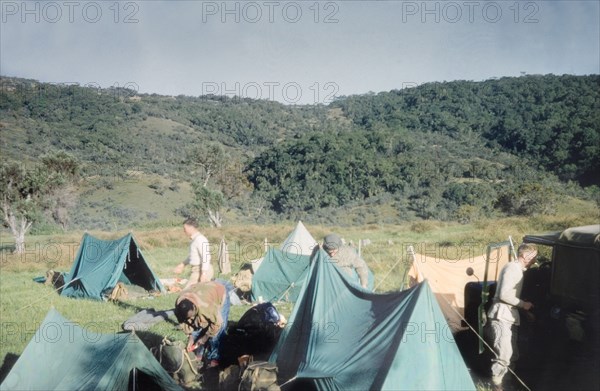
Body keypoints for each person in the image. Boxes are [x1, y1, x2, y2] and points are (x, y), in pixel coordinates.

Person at [486, 243, 538, 390]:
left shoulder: (518, 269)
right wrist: (523, 304)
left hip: (509, 316)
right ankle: (497, 386)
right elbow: (504, 294)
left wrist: (524, 308)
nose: (536, 259)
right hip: (501, 315)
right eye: (534, 255)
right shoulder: (513, 268)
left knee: (512, 354)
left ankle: (507, 383)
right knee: (504, 355)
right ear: (526, 255)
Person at [174, 280, 230, 369]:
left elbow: (217, 324)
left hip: (219, 293)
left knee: (217, 335)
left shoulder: (206, 306)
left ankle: (214, 357)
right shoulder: (179, 306)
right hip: (201, 291)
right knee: (197, 329)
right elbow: (184, 322)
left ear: (195, 308)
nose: (190, 319)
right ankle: (198, 352)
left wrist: (205, 337)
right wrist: (190, 337)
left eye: (192, 316)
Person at [173, 217, 213, 289]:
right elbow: (192, 256)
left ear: (191, 227)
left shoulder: (200, 239)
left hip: (200, 270)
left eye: (185, 228)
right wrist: (182, 264)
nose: (184, 231)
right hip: (196, 270)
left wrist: (203, 274)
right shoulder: (194, 239)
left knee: (187, 293)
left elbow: (206, 257)